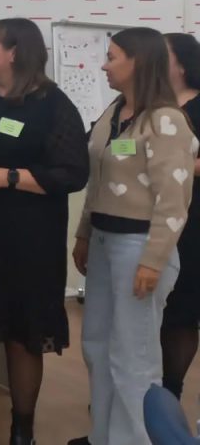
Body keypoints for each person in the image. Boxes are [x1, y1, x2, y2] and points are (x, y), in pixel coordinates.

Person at [0, 18, 89, 445]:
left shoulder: (53, 105)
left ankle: (22, 430)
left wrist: (6, 177)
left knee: (23, 334)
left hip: (28, 240)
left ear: (15, 52)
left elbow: (72, 173)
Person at [68, 28, 196, 445]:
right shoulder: (114, 111)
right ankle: (104, 436)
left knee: (134, 355)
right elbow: (98, 182)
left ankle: (135, 439)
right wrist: (83, 235)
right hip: (104, 241)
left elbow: (173, 202)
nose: (104, 65)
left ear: (138, 61)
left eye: (112, 56)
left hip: (139, 246)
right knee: (97, 346)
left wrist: (153, 261)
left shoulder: (166, 120)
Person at [161, 32, 200, 400]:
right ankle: (135, 389)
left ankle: (169, 392)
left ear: (183, 65)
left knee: (181, 311)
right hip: (147, 221)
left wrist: (175, 166)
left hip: (192, 222)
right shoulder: (144, 104)